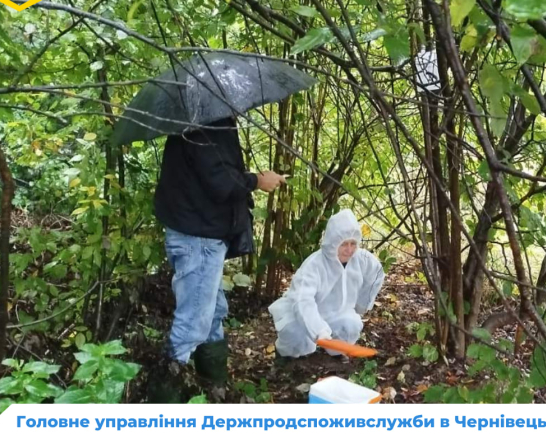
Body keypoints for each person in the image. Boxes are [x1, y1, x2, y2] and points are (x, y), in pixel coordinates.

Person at [150, 116, 285, 402]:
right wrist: (258, 181)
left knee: (211, 315)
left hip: (195, 232)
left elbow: (211, 171)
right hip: (197, 237)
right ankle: (160, 407)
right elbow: (220, 181)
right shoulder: (206, 122)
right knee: (193, 323)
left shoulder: (197, 117)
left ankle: (214, 392)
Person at [269, 209, 385, 358]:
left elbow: (376, 273)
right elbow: (302, 300)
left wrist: (361, 305)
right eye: (344, 244)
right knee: (294, 332)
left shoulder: (362, 260)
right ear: (333, 242)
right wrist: (319, 330)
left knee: (351, 324)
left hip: (337, 312)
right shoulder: (314, 265)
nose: (349, 250)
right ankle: (287, 358)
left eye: (353, 243)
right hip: (304, 314)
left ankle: (337, 353)